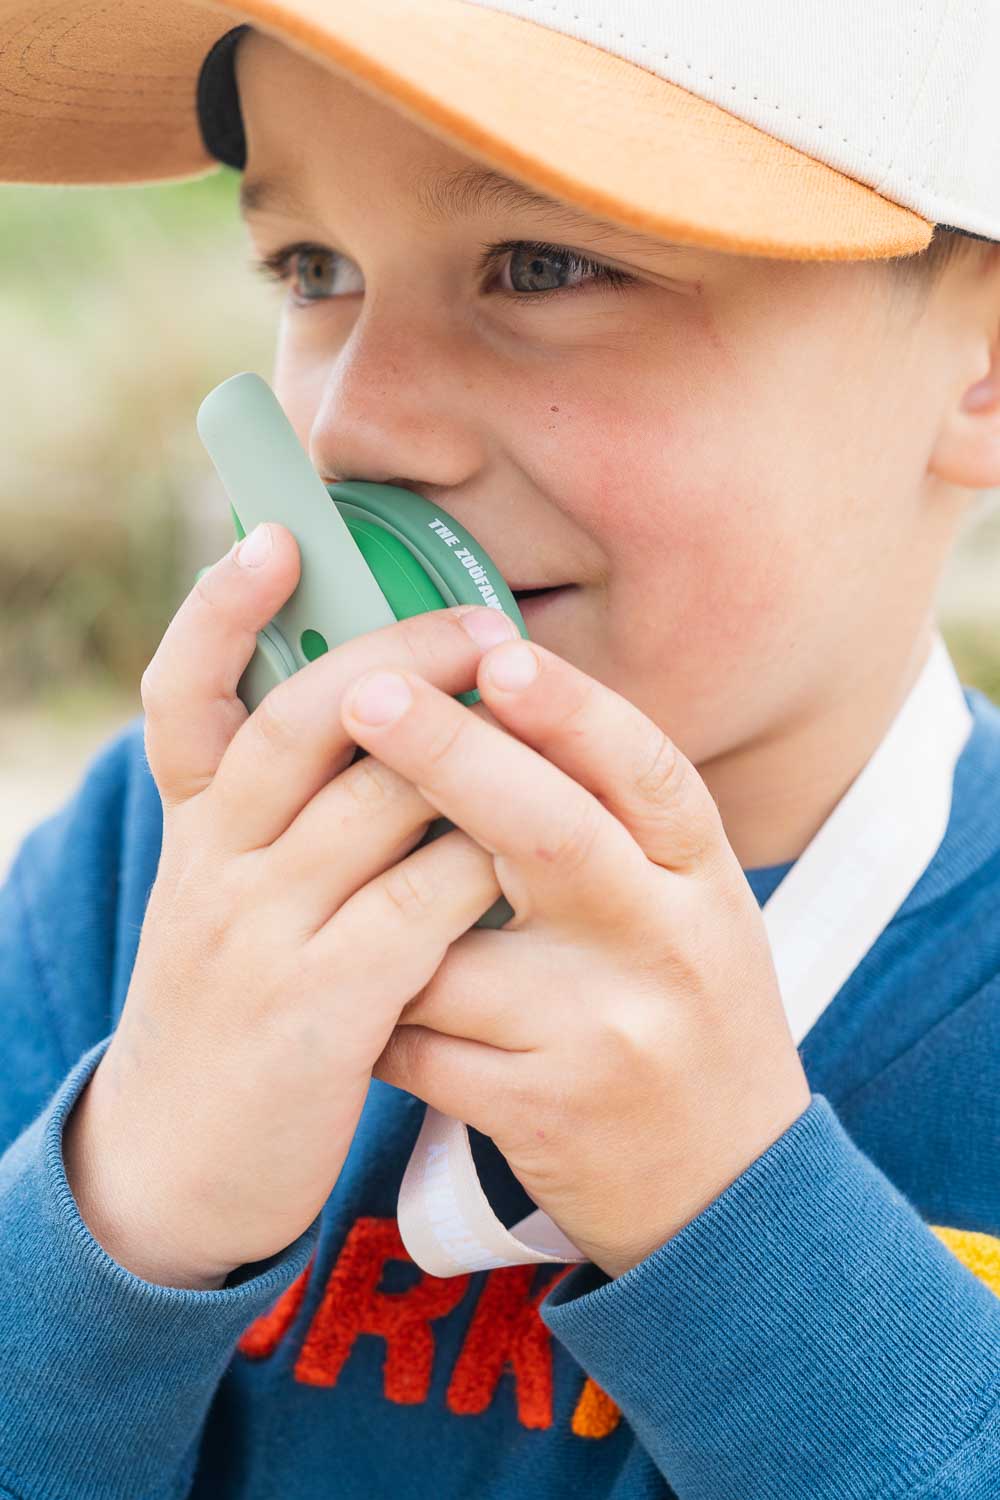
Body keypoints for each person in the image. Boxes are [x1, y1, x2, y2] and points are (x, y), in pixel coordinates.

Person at [0, 2, 998, 1496]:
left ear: (979, 364)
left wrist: (739, 1227)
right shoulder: (156, 871)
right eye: (310, 269)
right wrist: (121, 1216)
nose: (354, 424)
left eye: (547, 265)